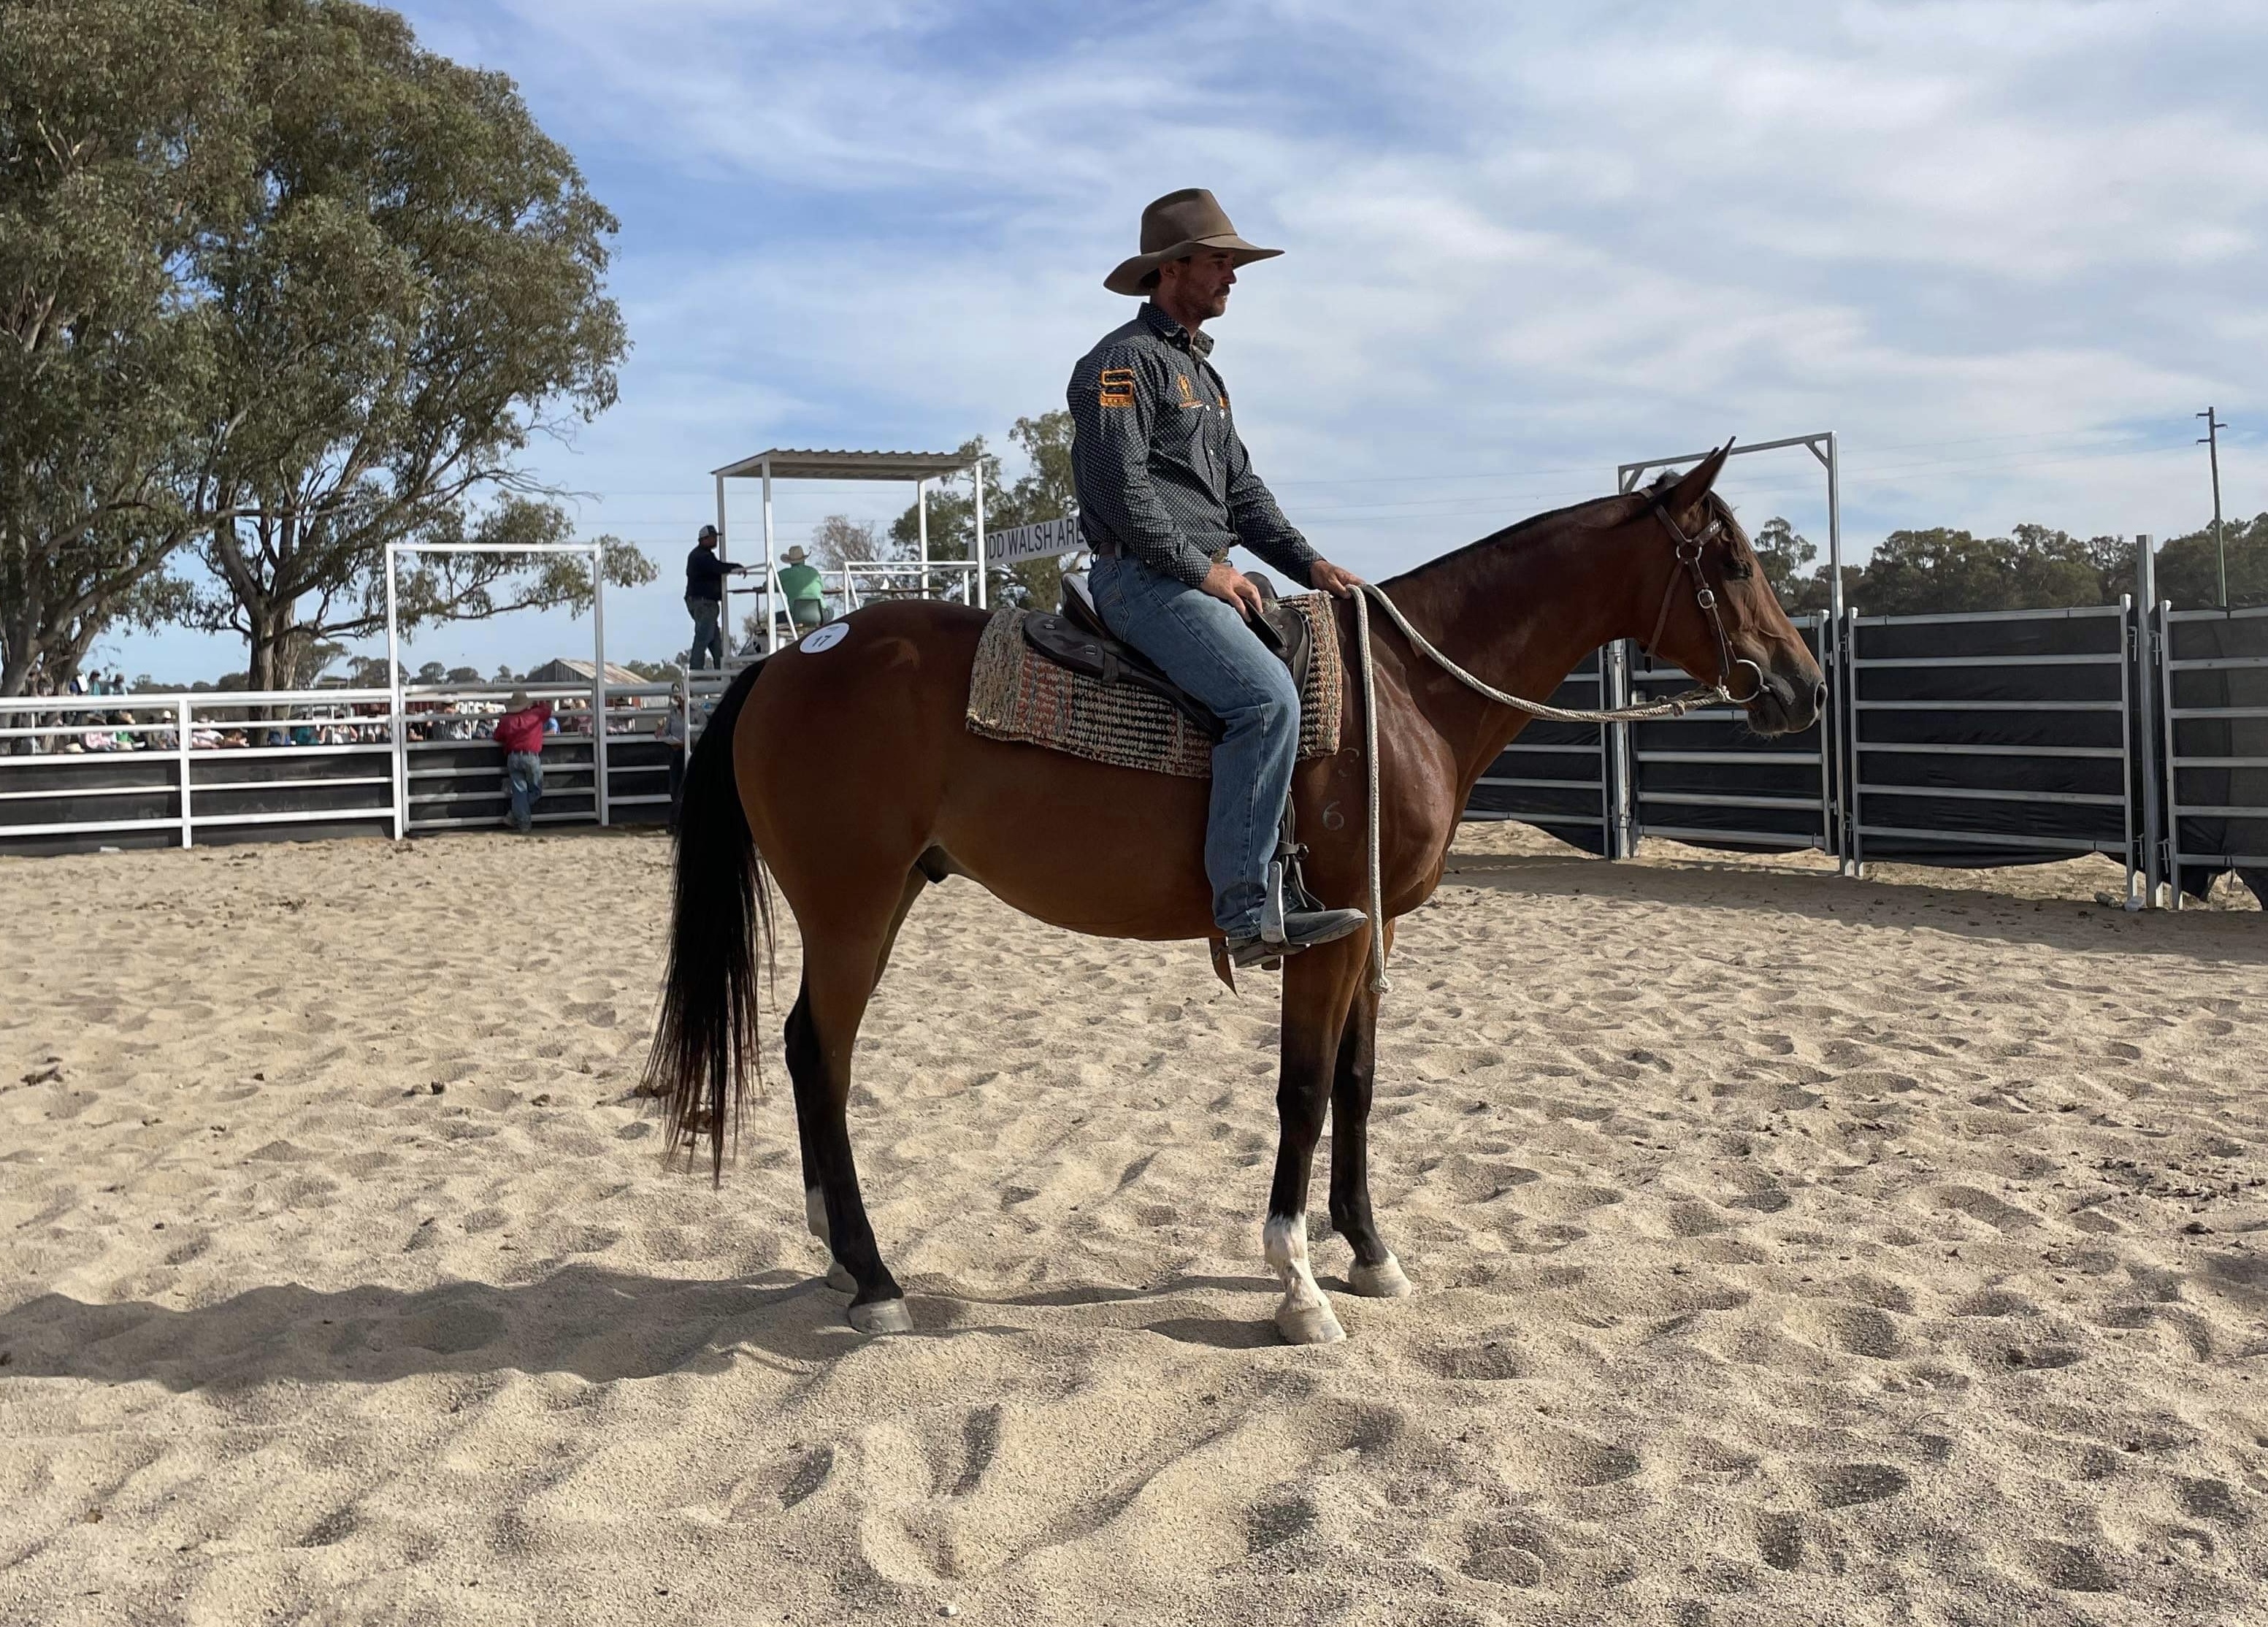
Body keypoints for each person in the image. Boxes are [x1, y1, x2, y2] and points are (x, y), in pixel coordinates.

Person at [1070, 188, 1369, 968]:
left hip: (1197, 577)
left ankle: (1287, 869)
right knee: (1264, 701)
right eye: (1219, 261)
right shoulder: (1120, 364)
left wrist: (1309, 563)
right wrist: (1202, 571)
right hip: (1144, 580)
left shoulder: (1204, 376)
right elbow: (1121, 491)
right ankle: (1243, 909)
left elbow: (1243, 494)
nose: (1232, 276)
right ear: (1171, 269)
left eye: (1233, 263)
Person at [685, 524, 744, 670]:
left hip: (701, 602)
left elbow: (716, 566)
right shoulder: (702, 556)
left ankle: (722, 671)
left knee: (714, 641)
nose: (715, 540)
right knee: (704, 637)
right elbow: (717, 567)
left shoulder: (700, 555)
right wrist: (735, 567)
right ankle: (696, 672)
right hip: (704, 603)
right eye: (712, 537)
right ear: (704, 539)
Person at [494, 688, 553, 833]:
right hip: (531, 756)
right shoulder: (536, 714)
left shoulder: (506, 720)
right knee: (536, 790)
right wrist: (536, 704)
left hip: (513, 757)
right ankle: (514, 815)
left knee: (519, 792)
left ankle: (522, 822)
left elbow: (497, 736)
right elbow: (547, 709)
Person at [656, 685, 689, 830]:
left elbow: (701, 732)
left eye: (679, 696)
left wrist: (688, 742)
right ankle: (676, 822)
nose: (677, 699)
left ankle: (678, 822)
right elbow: (665, 732)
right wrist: (662, 733)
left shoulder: (696, 712)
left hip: (690, 753)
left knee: (685, 788)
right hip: (677, 753)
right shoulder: (673, 712)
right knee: (675, 789)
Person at [776, 544, 827, 632]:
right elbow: (822, 587)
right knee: (830, 611)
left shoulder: (784, 574)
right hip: (820, 615)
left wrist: (785, 587)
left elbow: (768, 585)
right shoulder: (814, 572)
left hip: (796, 616)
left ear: (790, 562)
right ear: (804, 560)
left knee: (776, 617)